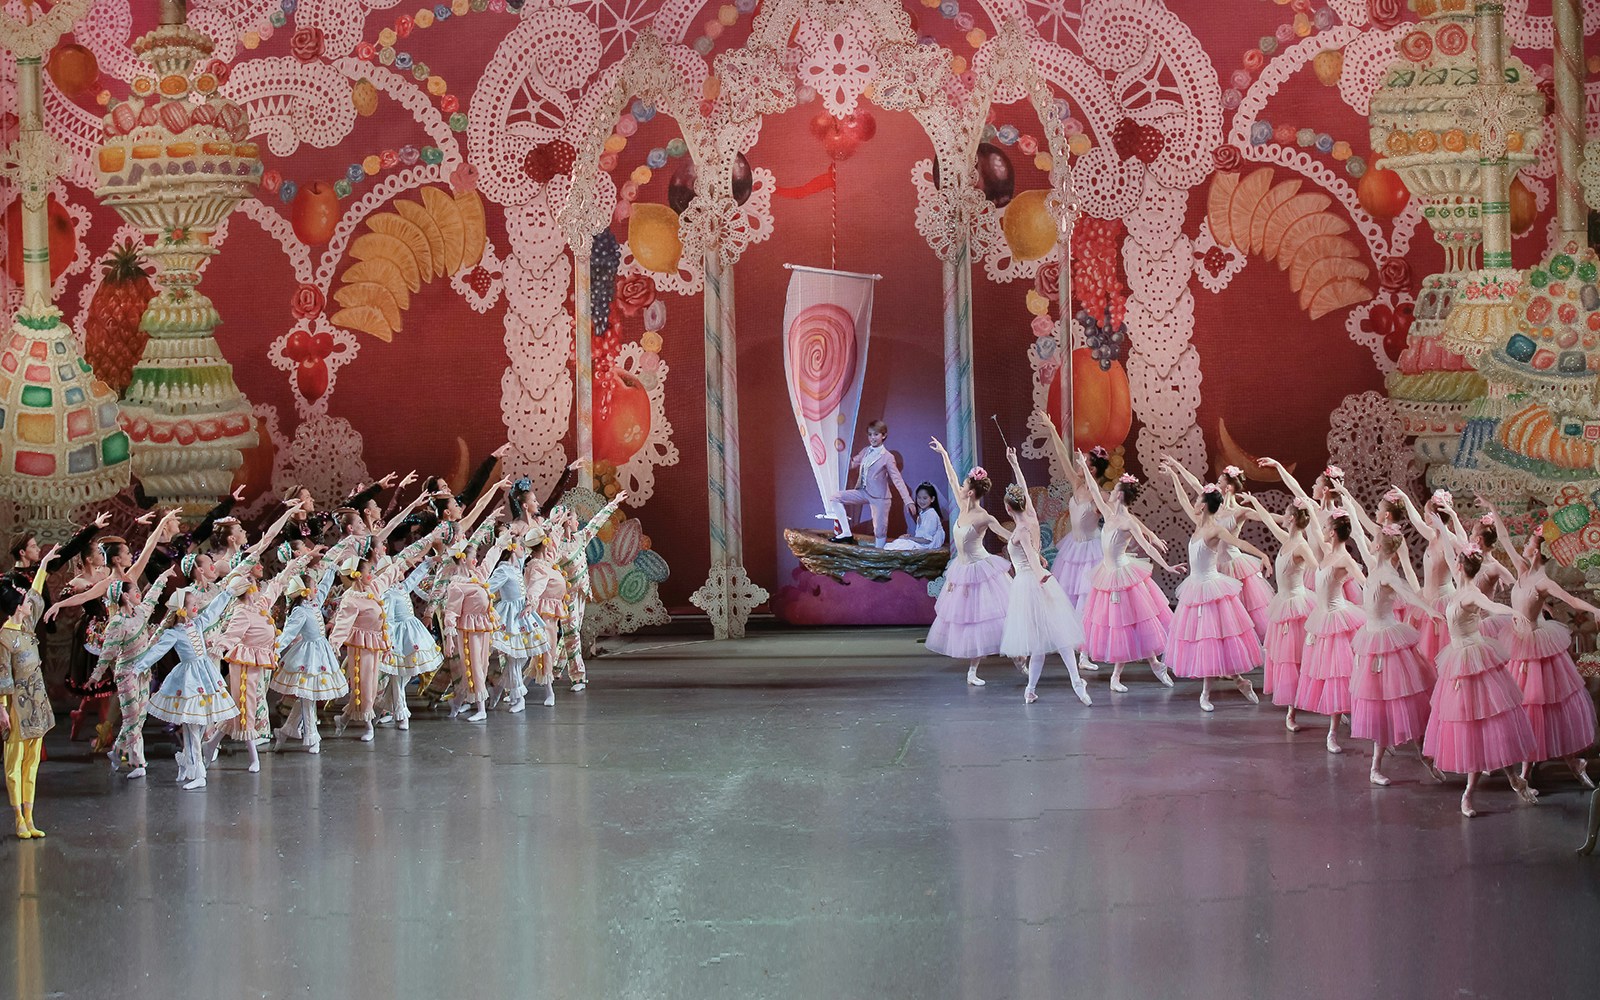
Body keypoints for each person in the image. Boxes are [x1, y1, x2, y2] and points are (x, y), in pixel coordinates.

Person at [1479, 500, 1600, 789]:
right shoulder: (1520, 568)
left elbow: (1570, 600)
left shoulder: (1543, 582)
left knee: (1539, 707)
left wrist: (1596, 610)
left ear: (1538, 550)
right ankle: (1545, 763)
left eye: (1529, 543)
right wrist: (1493, 507)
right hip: (1519, 644)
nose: (1523, 546)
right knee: (1521, 704)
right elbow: (1505, 537)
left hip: (1538, 647)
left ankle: (1558, 763)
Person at [1422, 546, 1540, 818]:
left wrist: (1512, 612)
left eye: (1457, 561)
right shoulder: (1458, 586)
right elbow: (1451, 556)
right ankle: (1513, 780)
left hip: (1473, 658)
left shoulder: (1472, 594)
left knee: (1483, 723)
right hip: (1458, 659)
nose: (1453, 563)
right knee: (1474, 725)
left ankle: (1470, 793)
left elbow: (1492, 605)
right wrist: (1445, 513)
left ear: (1461, 567)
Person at [1161, 459, 1267, 712]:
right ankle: (1241, 681)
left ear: (1205, 505)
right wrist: (1174, 476)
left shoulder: (1215, 530)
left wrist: (1262, 555)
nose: (1194, 502)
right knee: (1204, 641)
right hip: (1195, 587)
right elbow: (1183, 501)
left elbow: (1239, 544)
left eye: (1199, 500)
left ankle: (1206, 693)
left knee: (1210, 640)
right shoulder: (1199, 523)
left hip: (1211, 588)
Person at [1076, 454, 1183, 693]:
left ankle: (1122, 674)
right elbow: (1094, 490)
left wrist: (1166, 566)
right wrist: (1083, 465)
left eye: (1115, 489)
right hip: (1107, 575)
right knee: (1117, 625)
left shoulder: (1128, 521)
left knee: (1126, 625)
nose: (1110, 492)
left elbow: (1146, 547)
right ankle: (1155, 665)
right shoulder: (1108, 513)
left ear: (1121, 495)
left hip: (1123, 577)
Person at [999, 447, 1090, 706]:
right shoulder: (1031, 518)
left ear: (1007, 508)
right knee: (1047, 640)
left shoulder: (1020, 532)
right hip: (1037, 580)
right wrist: (1015, 464)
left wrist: (1040, 575)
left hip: (1031, 583)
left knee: (1056, 637)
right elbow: (1024, 490)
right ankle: (1032, 689)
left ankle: (1075, 683)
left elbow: (1028, 552)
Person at [926, 438, 1012, 687]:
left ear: (972, 491)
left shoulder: (983, 516)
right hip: (962, 570)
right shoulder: (963, 506)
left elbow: (1003, 534)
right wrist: (943, 453)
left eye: (966, 484)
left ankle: (1020, 658)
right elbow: (953, 479)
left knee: (998, 618)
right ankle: (973, 671)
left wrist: (1024, 540)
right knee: (970, 621)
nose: (961, 486)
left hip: (981, 570)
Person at [0, 544, 62, 837]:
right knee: (14, 764)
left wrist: (45, 564)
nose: (29, 602)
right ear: (16, 607)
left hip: (36, 701)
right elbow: (2, 676)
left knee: (32, 762)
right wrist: (2, 710)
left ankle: (30, 816)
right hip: (16, 705)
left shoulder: (26, 626)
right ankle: (17, 819)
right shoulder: (5, 637)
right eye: (23, 600)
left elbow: (36, 593)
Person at [1294, 510, 1367, 755]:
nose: (1322, 531)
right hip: (1322, 619)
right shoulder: (1326, 554)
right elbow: (1314, 526)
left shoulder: (1344, 559)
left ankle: (1333, 733)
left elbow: (1363, 579)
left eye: (1327, 528)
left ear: (1333, 532)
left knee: (1337, 675)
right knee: (1323, 673)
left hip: (1338, 619)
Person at [824, 419, 914, 548]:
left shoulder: (887, 457)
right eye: (870, 434)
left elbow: (897, 479)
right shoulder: (866, 451)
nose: (872, 438)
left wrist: (908, 500)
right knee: (835, 498)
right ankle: (846, 533)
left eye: (876, 434)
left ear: (884, 436)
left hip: (880, 497)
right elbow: (852, 464)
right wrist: (836, 455)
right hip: (863, 491)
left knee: (879, 531)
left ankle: (879, 556)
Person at [885, 482, 947, 552]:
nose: (921, 501)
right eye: (919, 498)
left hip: (929, 544)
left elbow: (927, 540)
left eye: (925, 498)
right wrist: (908, 537)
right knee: (898, 542)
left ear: (932, 499)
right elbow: (921, 535)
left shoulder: (931, 514)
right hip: (923, 543)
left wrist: (909, 539)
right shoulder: (922, 513)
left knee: (899, 544)